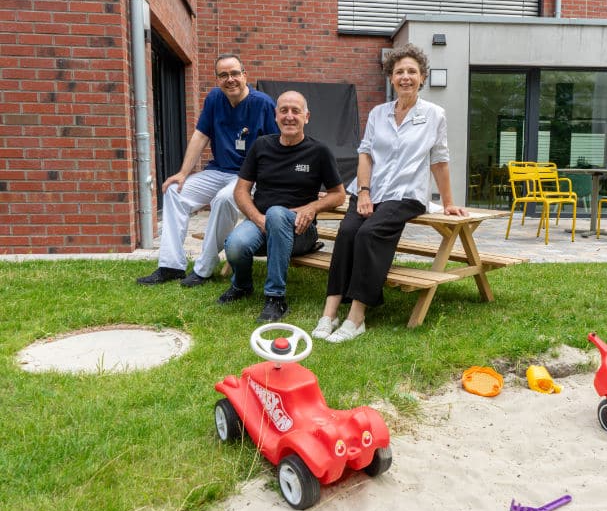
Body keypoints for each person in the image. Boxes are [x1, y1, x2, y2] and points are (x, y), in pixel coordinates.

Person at [312, 43, 467, 343]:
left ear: (422, 77)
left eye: (412, 71)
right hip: (370, 190)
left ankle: (356, 317)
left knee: (369, 234)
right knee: (347, 234)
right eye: (399, 72)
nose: (405, 77)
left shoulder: (434, 114)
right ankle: (329, 313)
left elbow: (439, 160)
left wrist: (448, 202)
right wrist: (364, 192)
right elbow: (365, 154)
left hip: (406, 194)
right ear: (391, 78)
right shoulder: (378, 113)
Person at [137, 54, 279, 287]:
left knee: (224, 199)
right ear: (217, 80)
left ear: (245, 75)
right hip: (219, 170)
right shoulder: (214, 98)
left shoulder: (263, 104)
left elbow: (276, 147)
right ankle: (171, 266)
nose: (230, 79)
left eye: (235, 73)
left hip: (249, 177)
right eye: (223, 75)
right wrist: (183, 173)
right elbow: (201, 135)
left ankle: (203, 269)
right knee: (174, 191)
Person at [218, 90, 346, 322]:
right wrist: (258, 218)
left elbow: (338, 195)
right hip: (262, 223)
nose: (289, 116)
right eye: (284, 111)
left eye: (295, 111)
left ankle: (275, 298)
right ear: (276, 116)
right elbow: (241, 191)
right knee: (235, 245)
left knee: (277, 213)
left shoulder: (319, 151)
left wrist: (311, 208)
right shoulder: (261, 146)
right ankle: (242, 286)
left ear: (306, 117)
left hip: (301, 231)